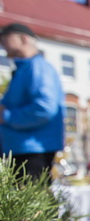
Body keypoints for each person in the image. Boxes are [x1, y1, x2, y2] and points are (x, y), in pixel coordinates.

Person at [0, 23, 65, 183]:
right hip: (21, 148)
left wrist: (6, 116)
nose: (2, 44)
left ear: (23, 39)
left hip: (32, 150)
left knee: (32, 196)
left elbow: (44, 108)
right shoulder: (24, 69)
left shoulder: (38, 68)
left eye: (5, 39)